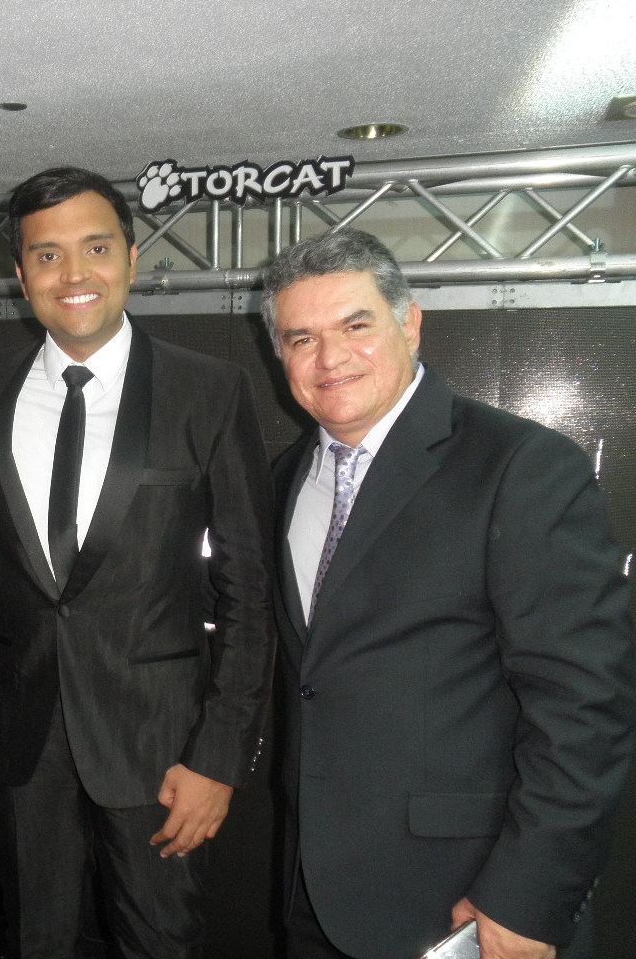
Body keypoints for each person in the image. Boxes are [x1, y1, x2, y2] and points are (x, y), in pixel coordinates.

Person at [263, 228, 634, 959]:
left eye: (355, 325)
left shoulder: (520, 466)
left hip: (467, 901)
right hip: (313, 892)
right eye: (301, 338)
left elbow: (584, 704)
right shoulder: (284, 479)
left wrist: (529, 893)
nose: (329, 358)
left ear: (410, 323)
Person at [0, 167, 275, 959]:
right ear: (20, 272)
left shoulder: (210, 389)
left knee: (160, 943)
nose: (74, 273)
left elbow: (250, 590)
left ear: (131, 257)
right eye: (47, 254)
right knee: (33, 940)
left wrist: (218, 757)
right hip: (18, 740)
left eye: (95, 248)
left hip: (162, 746)